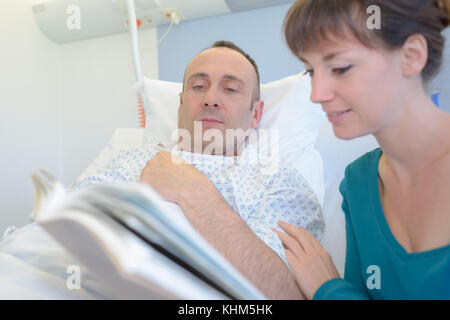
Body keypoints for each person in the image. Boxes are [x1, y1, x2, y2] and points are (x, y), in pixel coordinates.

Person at [72, 40, 324, 300]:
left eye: (230, 89)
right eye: (199, 86)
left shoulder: (280, 183)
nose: (211, 99)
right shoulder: (130, 162)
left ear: (256, 114)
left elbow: (281, 293)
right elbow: (59, 226)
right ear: (180, 106)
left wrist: (191, 189)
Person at [272, 0, 450, 300]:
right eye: (310, 72)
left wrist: (328, 289)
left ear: (411, 56)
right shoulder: (358, 182)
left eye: (340, 68)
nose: (317, 94)